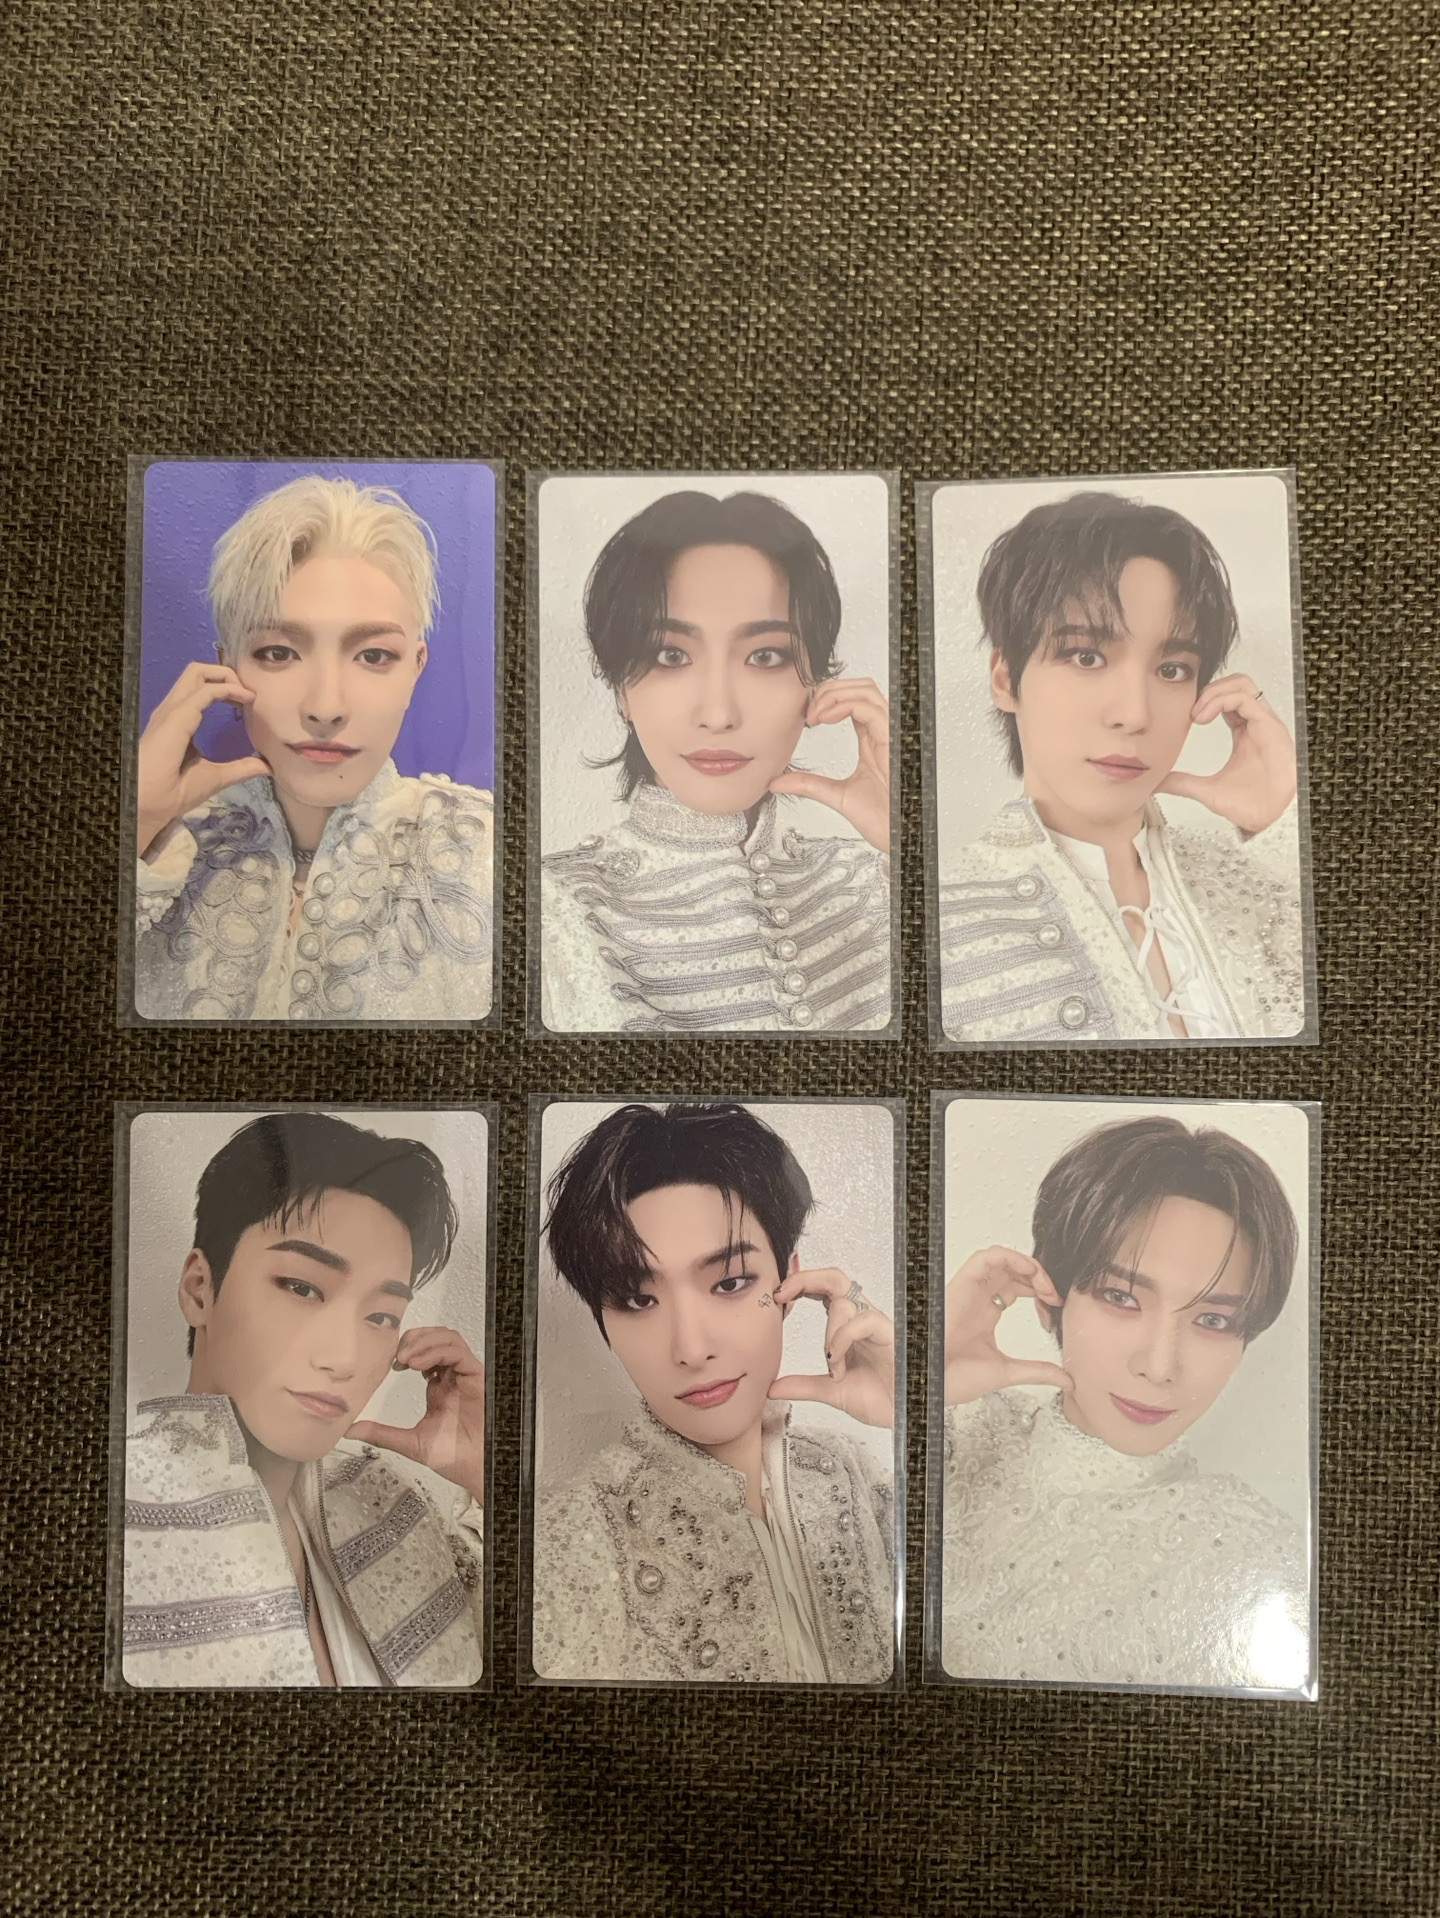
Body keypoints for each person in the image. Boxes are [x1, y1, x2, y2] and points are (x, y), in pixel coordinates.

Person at [940, 1114, 1311, 1691]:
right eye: (1121, 1297)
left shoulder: (1266, 1558)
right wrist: (922, 1378)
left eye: (1214, 1320)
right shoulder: (943, 1434)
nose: (1160, 1367)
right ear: (1047, 1302)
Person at [532, 1102, 897, 1683]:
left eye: (729, 1282)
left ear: (790, 1283)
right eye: (638, 1300)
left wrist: (912, 1409)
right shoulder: (564, 1541)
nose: (691, 1348)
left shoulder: (853, 1474)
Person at [122, 1111, 487, 1688]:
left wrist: (484, 1473)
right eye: (301, 1287)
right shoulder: (104, 1510)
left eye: (381, 1316)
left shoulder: (388, 1500)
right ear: (200, 1289)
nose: (345, 1358)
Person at [935, 491, 1306, 1042]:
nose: (1135, 714)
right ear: (1006, 679)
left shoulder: (1262, 882)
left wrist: (1283, 821)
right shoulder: (936, 924)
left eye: (1173, 669)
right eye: (1086, 657)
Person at [133, 474, 495, 1022]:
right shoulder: (158, 846)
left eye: (373, 656)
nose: (326, 707)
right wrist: (137, 818)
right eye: (278, 652)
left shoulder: (491, 855)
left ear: (415, 669)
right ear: (227, 668)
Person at [540, 489, 892, 1033]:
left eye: (766, 656)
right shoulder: (546, 907)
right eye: (671, 655)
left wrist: (905, 839)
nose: (719, 715)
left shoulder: (878, 878)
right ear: (621, 691)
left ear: (816, 686)